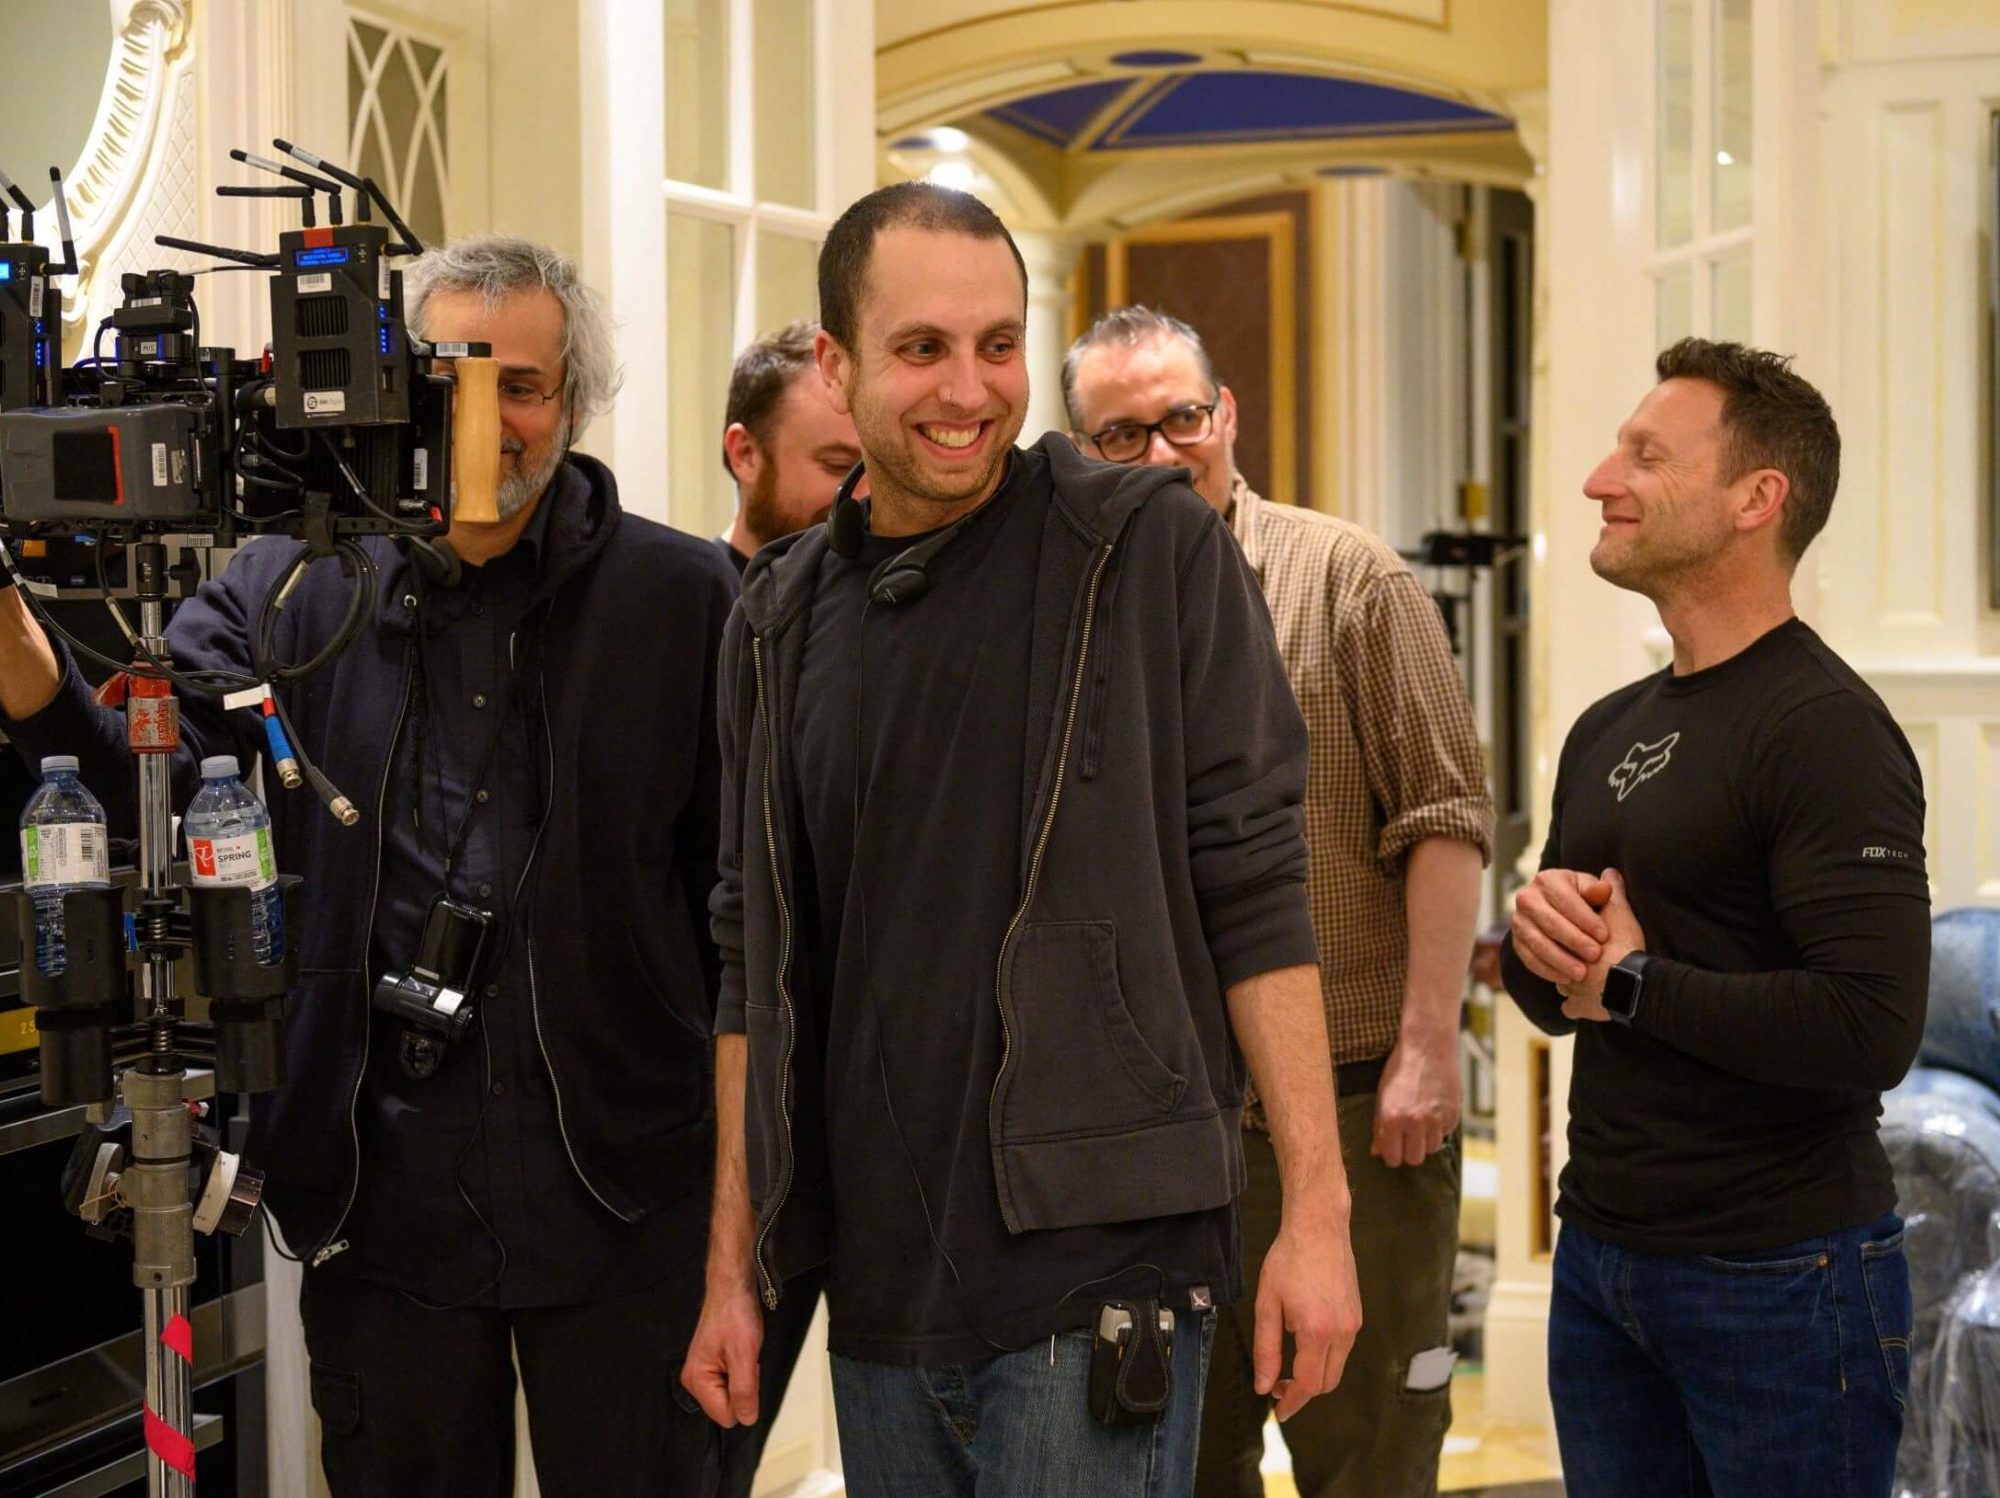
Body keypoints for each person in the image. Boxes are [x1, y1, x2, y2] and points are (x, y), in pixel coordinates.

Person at [0, 235, 742, 1497]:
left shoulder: (687, 599)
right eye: (449, 382)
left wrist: (740, 1241)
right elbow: (138, 779)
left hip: (625, 1202)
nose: (485, 422)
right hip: (382, 1202)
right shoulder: (290, 585)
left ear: (574, 402)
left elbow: (745, 932)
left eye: (522, 385)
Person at [681, 182, 1363, 1497]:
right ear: (836, 362)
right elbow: (748, 959)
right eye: (921, 348)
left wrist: (1316, 1214)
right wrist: (732, 1265)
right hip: (882, 1278)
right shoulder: (776, 616)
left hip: (1105, 1257)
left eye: (998, 345)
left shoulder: (1144, 548)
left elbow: (1255, 881)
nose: (969, 389)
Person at [1064, 306, 1494, 1498]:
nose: (1159, 453)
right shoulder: (1071, 616)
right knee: (1176, 1462)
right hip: (1157, 1137)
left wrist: (1427, 1049)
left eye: (1180, 419)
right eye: (1119, 435)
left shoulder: (1346, 578)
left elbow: (1446, 815)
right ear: (1078, 449)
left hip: (1355, 1110)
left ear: (1226, 415)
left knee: (1373, 1451)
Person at [1502, 338, 1929, 1498]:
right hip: (1600, 1264)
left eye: (1645, 456)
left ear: (1754, 498)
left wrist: (1631, 983)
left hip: (1781, 1279)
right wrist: (1541, 938)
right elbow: (1558, 996)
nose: (1599, 479)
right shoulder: (1605, 727)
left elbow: (1868, 1025)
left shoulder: (1825, 730)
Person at [717, 320, 862, 573]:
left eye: (881, 471)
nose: (865, 495)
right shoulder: (700, 592)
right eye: (838, 465)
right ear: (745, 454)